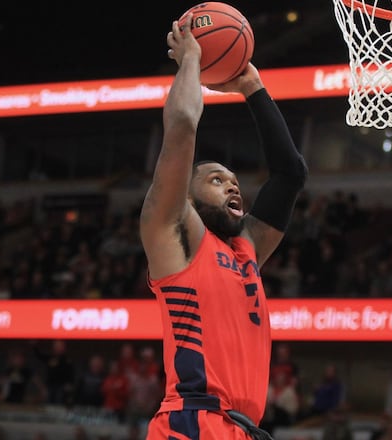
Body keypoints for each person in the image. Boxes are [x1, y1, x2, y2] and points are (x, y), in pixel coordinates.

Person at [140, 13, 307, 440]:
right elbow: (180, 127)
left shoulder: (247, 247)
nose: (233, 187)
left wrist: (252, 87)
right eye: (217, 180)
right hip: (193, 422)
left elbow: (289, 175)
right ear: (188, 197)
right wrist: (192, 60)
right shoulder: (174, 234)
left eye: (234, 182)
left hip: (243, 429)